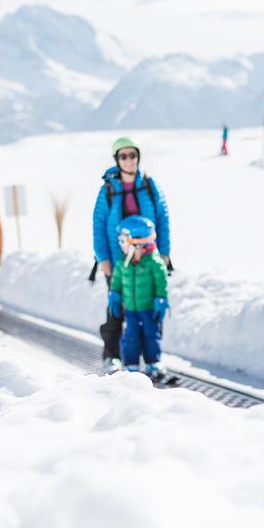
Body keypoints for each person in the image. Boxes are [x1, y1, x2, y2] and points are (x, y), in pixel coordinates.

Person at [92, 137, 171, 363]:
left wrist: (163, 252)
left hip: (147, 258)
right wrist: (103, 258)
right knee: (117, 307)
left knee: (151, 309)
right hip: (119, 262)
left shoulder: (149, 185)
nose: (129, 160)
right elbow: (98, 224)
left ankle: (152, 359)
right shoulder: (107, 190)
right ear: (117, 159)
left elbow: (162, 219)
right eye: (123, 156)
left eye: (132, 155)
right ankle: (112, 356)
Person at [108, 216, 169, 377]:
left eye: (123, 241)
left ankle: (153, 363)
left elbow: (161, 283)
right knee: (130, 337)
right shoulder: (123, 264)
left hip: (148, 309)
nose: (120, 245)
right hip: (131, 310)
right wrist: (115, 295)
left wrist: (161, 299)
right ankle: (131, 365)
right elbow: (116, 282)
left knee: (151, 336)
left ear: (138, 243)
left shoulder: (154, 263)